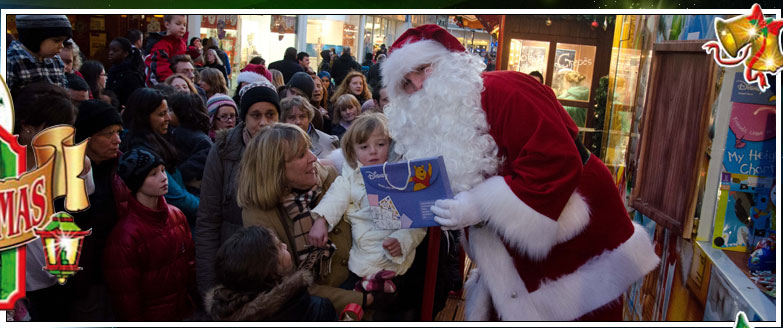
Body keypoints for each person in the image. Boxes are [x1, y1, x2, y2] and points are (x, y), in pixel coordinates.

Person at [380, 24, 659, 321]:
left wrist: (479, 204)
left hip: (578, 229)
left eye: (422, 69)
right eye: (407, 84)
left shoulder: (505, 89)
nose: (418, 86)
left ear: (448, 63)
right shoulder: (432, 122)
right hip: (515, 250)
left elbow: (556, 161)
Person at [236, 123, 364, 314]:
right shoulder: (258, 215)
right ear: (275, 168)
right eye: (301, 155)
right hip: (322, 309)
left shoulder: (330, 178)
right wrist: (363, 299)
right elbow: (290, 285)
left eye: (309, 150)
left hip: (361, 280)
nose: (313, 158)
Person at [310, 113, 425, 314]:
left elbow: (417, 219)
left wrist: (403, 240)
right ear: (352, 152)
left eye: (380, 144)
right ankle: (370, 288)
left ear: (391, 144)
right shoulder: (351, 174)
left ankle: (374, 289)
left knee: (396, 295)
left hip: (394, 247)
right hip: (363, 250)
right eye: (364, 147)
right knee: (367, 272)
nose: (373, 152)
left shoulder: (401, 175)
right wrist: (321, 220)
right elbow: (337, 195)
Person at [194, 83, 281, 299]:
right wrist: (209, 286)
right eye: (256, 115)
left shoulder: (291, 147)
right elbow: (208, 219)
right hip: (236, 264)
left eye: (271, 114)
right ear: (244, 118)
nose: (263, 122)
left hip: (278, 263)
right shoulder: (224, 151)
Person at [105, 148, 197, 321]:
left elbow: (191, 265)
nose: (163, 178)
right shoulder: (125, 237)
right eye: (153, 174)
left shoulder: (176, 215)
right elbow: (126, 299)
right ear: (137, 182)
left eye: (163, 170)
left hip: (184, 313)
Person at [12, 83, 76, 321]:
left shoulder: (66, 163)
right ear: (26, 127)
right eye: (52, 130)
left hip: (59, 279)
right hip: (17, 287)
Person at [66, 99, 126, 321]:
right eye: (108, 133)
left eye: (118, 132)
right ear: (87, 137)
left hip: (118, 271)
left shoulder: (122, 167)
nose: (117, 140)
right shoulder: (69, 176)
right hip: (87, 278)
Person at [205, 226, 338, 321]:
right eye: (279, 246)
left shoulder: (225, 314)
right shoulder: (317, 309)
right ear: (270, 269)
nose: (285, 246)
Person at [120, 88, 200, 223]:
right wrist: (209, 207)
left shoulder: (157, 141)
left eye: (167, 112)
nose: (168, 118)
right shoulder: (141, 153)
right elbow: (177, 198)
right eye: (162, 114)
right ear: (144, 117)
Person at [6, 15, 71, 95]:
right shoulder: (11, 61)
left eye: (63, 41)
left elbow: (64, 92)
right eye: (56, 41)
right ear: (35, 38)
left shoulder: (56, 60)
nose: (62, 46)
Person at [167, 92, 213, 198]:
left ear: (182, 113)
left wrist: (177, 174)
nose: (168, 115)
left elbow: (198, 164)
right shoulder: (174, 132)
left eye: (171, 111)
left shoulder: (197, 139)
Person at [144, 14, 187, 86]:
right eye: (178, 24)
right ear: (167, 24)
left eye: (184, 25)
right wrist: (173, 81)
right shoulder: (161, 45)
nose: (182, 27)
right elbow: (160, 67)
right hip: (162, 84)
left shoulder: (182, 43)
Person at [106, 37, 145, 107]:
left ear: (126, 53)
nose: (110, 53)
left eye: (115, 51)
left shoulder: (131, 76)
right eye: (110, 50)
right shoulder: (113, 71)